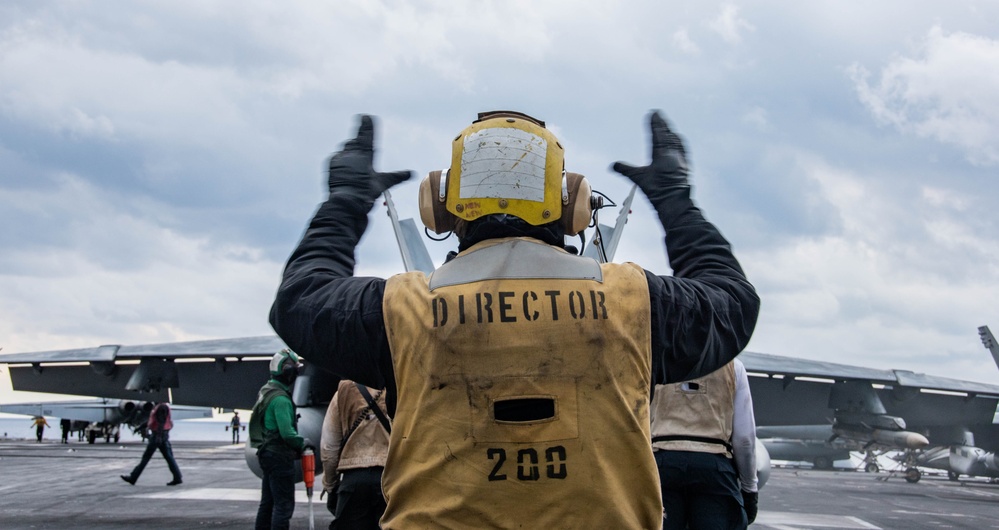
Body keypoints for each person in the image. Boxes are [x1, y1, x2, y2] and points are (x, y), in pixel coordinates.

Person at [269, 110, 760, 528]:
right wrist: (676, 199)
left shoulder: (405, 309)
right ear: (574, 205)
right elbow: (732, 302)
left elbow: (299, 300)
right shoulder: (631, 301)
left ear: (440, 206)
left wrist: (346, 200)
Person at [652, 358, 759, 529]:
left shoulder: (654, 360)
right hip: (714, 469)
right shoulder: (734, 367)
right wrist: (750, 489)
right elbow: (745, 440)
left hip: (662, 467)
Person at [250, 349, 311, 530]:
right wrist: (304, 443)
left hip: (266, 455)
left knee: (267, 503)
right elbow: (287, 433)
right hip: (279, 457)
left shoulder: (266, 391)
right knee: (283, 507)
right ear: (288, 371)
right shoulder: (281, 400)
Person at [321, 379, 390, 530]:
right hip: (390, 480)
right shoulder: (399, 391)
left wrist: (330, 485)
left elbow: (329, 449)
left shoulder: (342, 395)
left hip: (354, 481)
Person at [120, 402, 183, 486]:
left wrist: (158, 437)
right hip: (160, 435)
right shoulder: (160, 406)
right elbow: (153, 420)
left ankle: (133, 477)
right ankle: (177, 477)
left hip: (157, 435)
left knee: (146, 458)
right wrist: (140, 427)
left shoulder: (162, 407)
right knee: (169, 457)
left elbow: (161, 422)